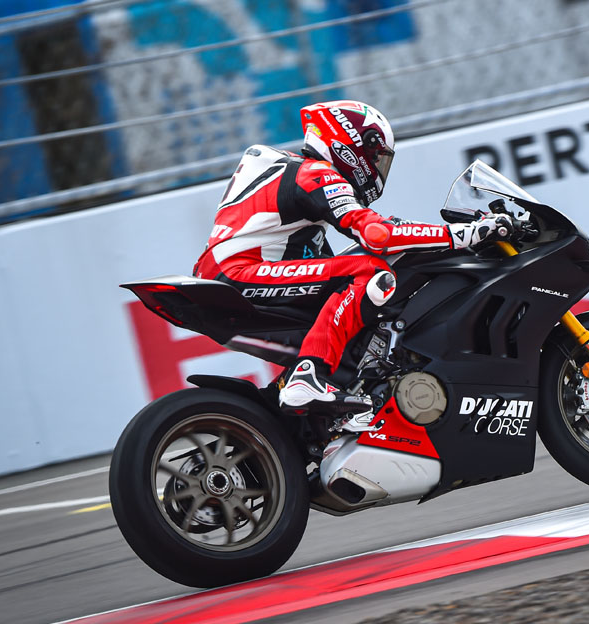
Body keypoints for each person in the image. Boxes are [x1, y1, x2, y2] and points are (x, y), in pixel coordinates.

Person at [193, 100, 511, 412]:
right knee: (370, 272)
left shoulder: (293, 174)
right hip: (240, 271)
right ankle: (308, 376)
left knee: (346, 288)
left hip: (235, 270)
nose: (377, 166)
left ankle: (324, 391)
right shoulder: (315, 172)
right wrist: (466, 233)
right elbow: (377, 234)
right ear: (350, 144)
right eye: (375, 156)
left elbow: (335, 260)